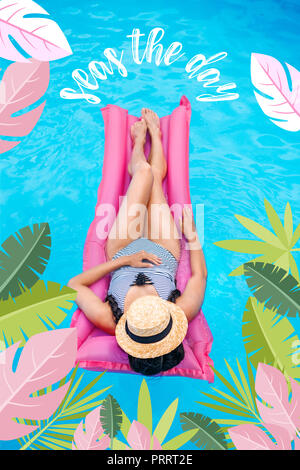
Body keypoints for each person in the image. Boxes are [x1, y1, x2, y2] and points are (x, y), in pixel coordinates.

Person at [68, 108, 207, 376]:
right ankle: (155, 133)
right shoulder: (180, 311)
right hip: (165, 250)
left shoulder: (110, 320)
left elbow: (74, 284)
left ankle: (139, 143)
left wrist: (124, 261)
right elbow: (200, 275)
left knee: (143, 172)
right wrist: (191, 235)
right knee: (153, 181)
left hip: (123, 247)